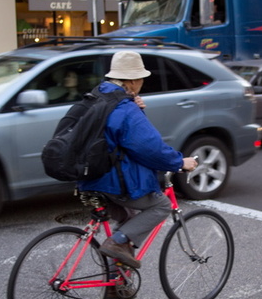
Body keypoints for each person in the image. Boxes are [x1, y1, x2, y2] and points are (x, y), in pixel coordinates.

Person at [77, 50, 197, 269]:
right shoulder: (125, 108)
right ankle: (117, 243)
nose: (142, 83)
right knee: (162, 205)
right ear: (132, 80)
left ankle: (117, 281)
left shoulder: (97, 97)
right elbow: (149, 147)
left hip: (88, 178)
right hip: (113, 182)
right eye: (141, 78)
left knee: (129, 217)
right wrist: (179, 163)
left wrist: (135, 107)